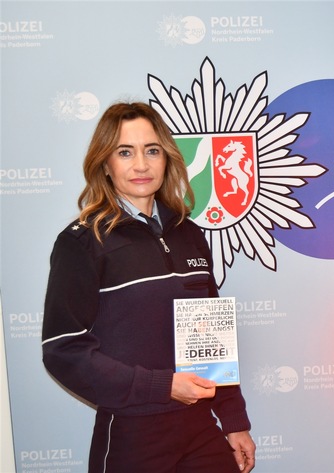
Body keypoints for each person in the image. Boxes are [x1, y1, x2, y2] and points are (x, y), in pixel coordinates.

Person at [42, 102, 256, 473]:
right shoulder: (82, 242)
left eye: (151, 150)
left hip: (199, 428)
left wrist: (234, 419)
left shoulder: (188, 233)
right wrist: (162, 386)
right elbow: (63, 350)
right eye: (125, 152)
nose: (141, 165)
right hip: (131, 433)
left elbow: (213, 339)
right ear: (105, 164)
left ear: (167, 158)